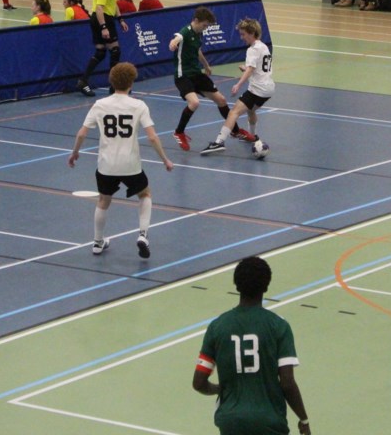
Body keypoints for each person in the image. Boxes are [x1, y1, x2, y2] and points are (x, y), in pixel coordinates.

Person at [193, 256, 311, 435]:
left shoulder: (217, 326)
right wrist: (304, 419)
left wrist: (220, 389)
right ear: (266, 286)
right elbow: (287, 383)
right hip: (269, 422)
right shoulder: (279, 326)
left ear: (237, 285)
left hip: (230, 421)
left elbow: (199, 383)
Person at [68, 62, 174, 257]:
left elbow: (82, 133)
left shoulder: (100, 105)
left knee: (103, 200)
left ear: (112, 81)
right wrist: (165, 159)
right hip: (130, 165)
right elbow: (152, 137)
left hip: (106, 165)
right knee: (145, 194)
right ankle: (142, 234)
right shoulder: (138, 105)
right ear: (131, 82)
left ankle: (98, 242)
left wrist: (75, 153)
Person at [169, 6, 253, 151]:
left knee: (221, 100)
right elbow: (178, 38)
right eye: (204, 25)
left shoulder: (198, 34)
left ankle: (235, 131)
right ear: (196, 20)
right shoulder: (186, 32)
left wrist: (206, 65)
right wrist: (173, 43)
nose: (205, 28)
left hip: (196, 73)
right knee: (194, 102)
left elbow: (197, 50)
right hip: (183, 75)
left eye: (207, 26)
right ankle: (179, 132)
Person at [202, 18, 274, 155]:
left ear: (252, 33)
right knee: (251, 110)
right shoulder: (263, 46)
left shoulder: (252, 49)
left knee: (233, 112)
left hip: (257, 89)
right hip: (269, 89)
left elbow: (251, 69)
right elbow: (258, 67)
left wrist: (238, 84)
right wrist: (246, 68)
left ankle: (219, 142)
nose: (242, 38)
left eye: (243, 34)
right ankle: (254, 137)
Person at [76, 0, 129, 97]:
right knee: (115, 51)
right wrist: (104, 27)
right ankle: (114, 86)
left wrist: (120, 19)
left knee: (101, 52)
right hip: (102, 18)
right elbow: (100, 7)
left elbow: (113, 3)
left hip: (103, 18)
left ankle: (83, 81)